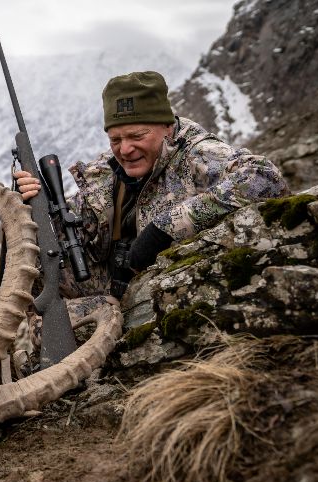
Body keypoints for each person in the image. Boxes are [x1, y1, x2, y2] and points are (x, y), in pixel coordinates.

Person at [14, 71, 288, 324]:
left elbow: (265, 179)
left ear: (167, 127)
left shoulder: (198, 154)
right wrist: (37, 204)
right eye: (115, 139)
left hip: (174, 290)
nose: (126, 149)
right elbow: (76, 232)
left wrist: (163, 228)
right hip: (117, 287)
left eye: (137, 136)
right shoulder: (109, 171)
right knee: (31, 276)